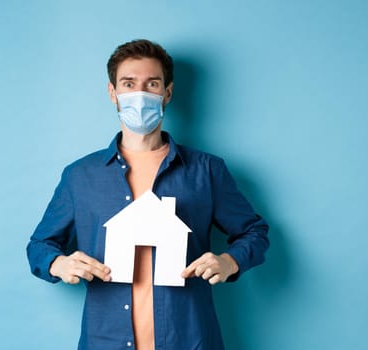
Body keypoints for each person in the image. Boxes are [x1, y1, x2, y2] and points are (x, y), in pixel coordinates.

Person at [26, 39, 269, 350]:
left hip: (190, 340)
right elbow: (39, 245)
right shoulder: (80, 176)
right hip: (105, 341)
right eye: (129, 84)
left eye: (151, 84)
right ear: (112, 92)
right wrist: (57, 264)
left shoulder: (207, 171)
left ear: (167, 92)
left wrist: (229, 261)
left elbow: (254, 232)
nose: (139, 95)